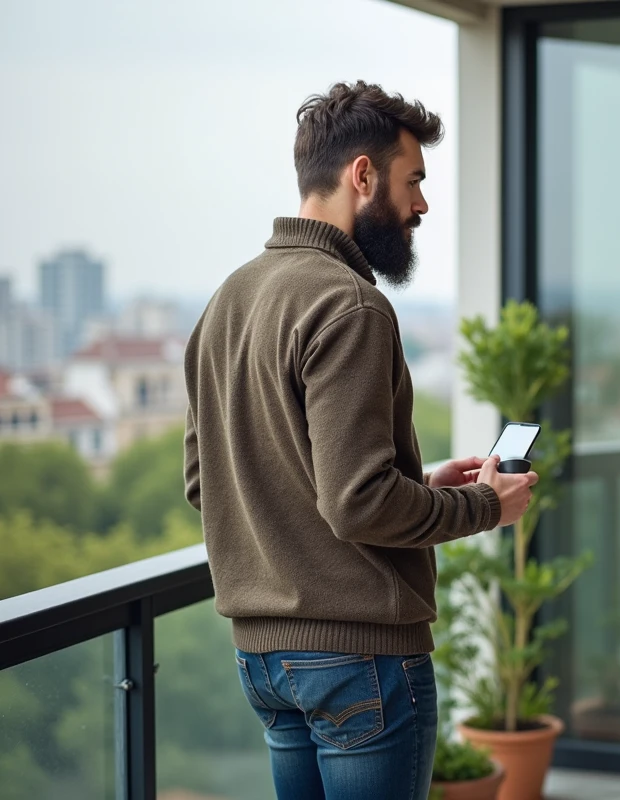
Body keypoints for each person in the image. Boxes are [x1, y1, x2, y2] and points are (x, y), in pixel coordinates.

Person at [182, 80, 537, 800]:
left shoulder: (229, 299)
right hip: (359, 662)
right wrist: (483, 508)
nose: (422, 206)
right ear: (363, 175)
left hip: (263, 661)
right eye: (414, 182)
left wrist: (420, 486)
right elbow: (358, 505)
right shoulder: (349, 304)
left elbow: (206, 481)